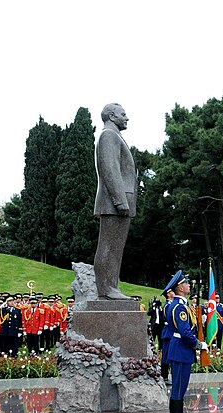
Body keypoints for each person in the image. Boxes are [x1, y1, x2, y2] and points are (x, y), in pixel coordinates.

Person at [93, 103, 137, 300]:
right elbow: (110, 169)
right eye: (123, 114)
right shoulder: (109, 136)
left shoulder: (114, 136)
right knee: (109, 246)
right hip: (114, 203)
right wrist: (120, 201)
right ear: (112, 116)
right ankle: (107, 288)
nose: (127, 118)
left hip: (117, 202)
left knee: (115, 248)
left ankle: (112, 287)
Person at [163, 270, 206, 413]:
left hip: (181, 350)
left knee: (180, 388)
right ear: (180, 287)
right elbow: (185, 332)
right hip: (181, 350)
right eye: (186, 283)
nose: (189, 285)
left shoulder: (182, 305)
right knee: (178, 388)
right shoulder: (179, 306)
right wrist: (198, 345)